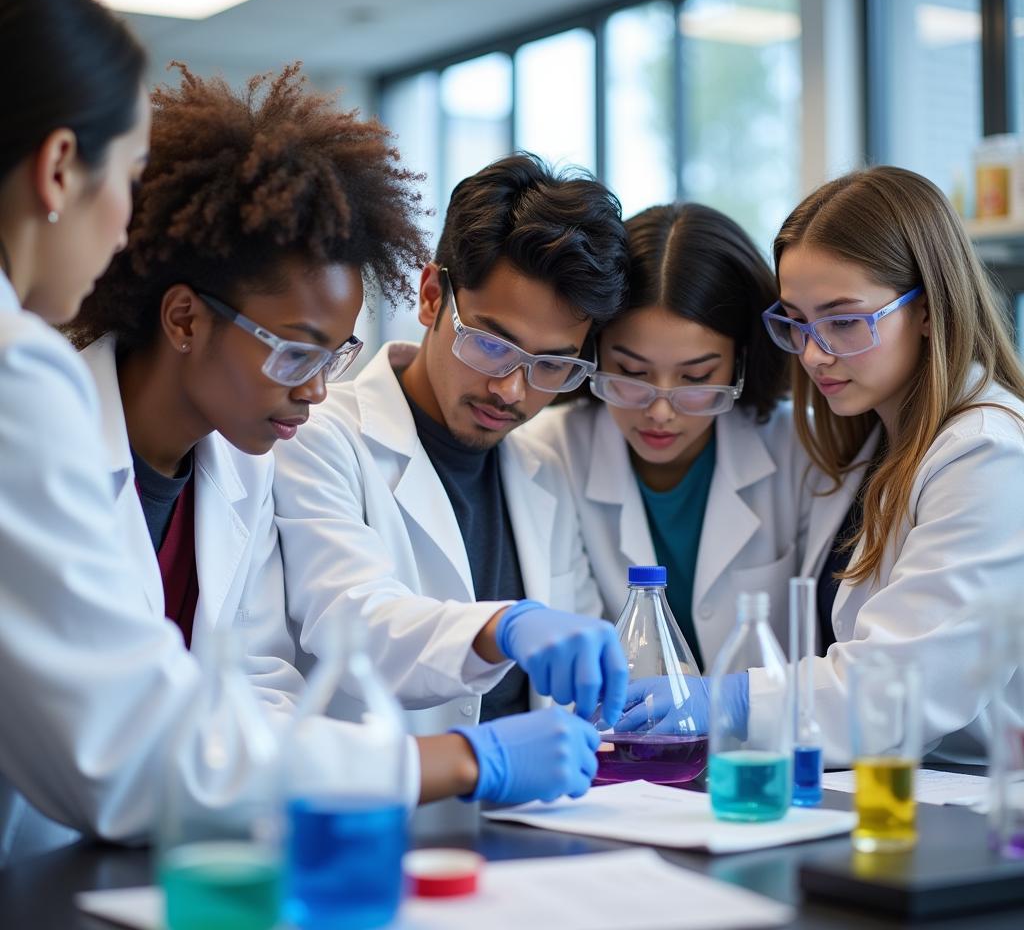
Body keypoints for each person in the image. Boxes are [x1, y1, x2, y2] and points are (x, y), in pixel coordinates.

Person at [64, 65, 604, 820]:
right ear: (184, 319)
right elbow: (109, 748)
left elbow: (255, 688)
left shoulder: (235, 467)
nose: (316, 391)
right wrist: (447, 756)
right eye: (295, 352)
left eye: (550, 366)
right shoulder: (49, 452)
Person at [272, 154, 632, 778]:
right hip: (385, 814)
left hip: (541, 814)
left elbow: (575, 654)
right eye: (492, 344)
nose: (513, 391)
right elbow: (353, 622)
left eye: (553, 365)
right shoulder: (320, 438)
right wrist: (503, 625)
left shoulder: (543, 463)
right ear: (432, 294)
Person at [748, 165, 1024, 764]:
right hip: (901, 789)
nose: (815, 354)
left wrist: (731, 702)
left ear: (928, 309)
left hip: (986, 804)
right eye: (796, 322)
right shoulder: (868, 442)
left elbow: (901, 689)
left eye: (844, 322)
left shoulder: (990, 453)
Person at [525, 202, 853, 677]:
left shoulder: (800, 447)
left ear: (740, 362)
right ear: (591, 351)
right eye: (632, 373)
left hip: (763, 743)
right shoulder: (548, 452)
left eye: (697, 377)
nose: (660, 410)